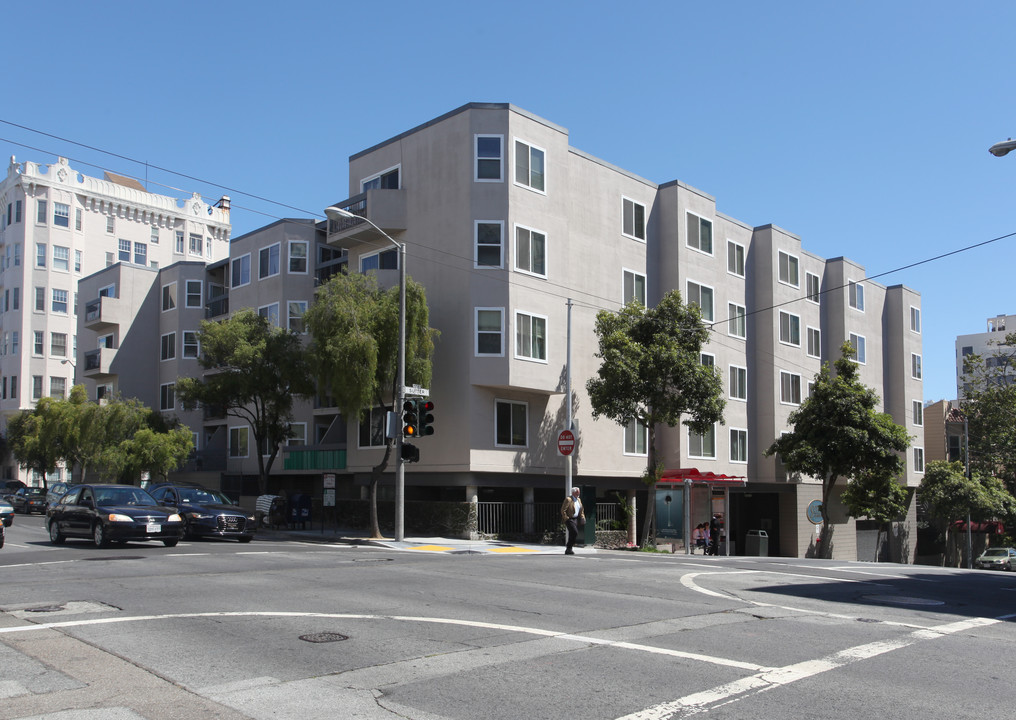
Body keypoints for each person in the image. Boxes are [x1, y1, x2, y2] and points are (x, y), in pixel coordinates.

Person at [560, 487, 585, 555]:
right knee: (575, 532)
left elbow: (581, 509)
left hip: (575, 519)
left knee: (572, 533)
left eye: (579, 492)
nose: (578, 493)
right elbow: (563, 510)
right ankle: (569, 547)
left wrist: (582, 517)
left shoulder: (578, 500)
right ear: (573, 492)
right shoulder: (568, 499)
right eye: (577, 492)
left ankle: (569, 549)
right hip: (569, 519)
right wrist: (566, 518)